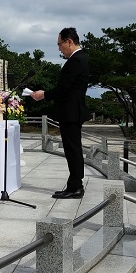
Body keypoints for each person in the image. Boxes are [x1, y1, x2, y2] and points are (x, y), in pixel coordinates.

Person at [31, 27, 91, 199]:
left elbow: (64, 89)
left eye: (60, 44)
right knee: (72, 149)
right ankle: (74, 185)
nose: (59, 48)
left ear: (69, 41)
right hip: (71, 112)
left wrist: (44, 95)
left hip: (72, 112)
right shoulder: (78, 59)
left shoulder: (76, 60)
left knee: (73, 150)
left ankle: (75, 187)